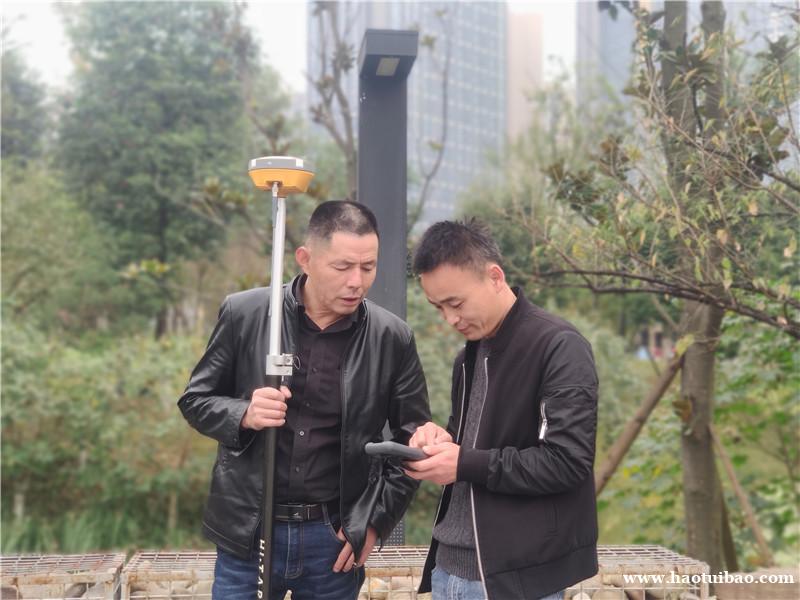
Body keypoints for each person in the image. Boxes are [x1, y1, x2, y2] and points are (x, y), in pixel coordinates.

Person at [178, 200, 431, 600]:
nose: (357, 282)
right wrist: (244, 413)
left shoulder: (391, 337)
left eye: (368, 267)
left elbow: (411, 442)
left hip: (333, 539)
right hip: (249, 533)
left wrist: (375, 521)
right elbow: (195, 400)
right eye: (342, 267)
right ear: (305, 259)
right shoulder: (246, 313)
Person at [406, 219, 599, 600]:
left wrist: (464, 463)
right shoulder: (467, 357)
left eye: (456, 303)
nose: (450, 319)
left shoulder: (560, 346)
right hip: (447, 569)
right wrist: (439, 441)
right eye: (438, 307)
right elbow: (471, 445)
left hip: (516, 580)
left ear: (495, 277)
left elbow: (567, 462)